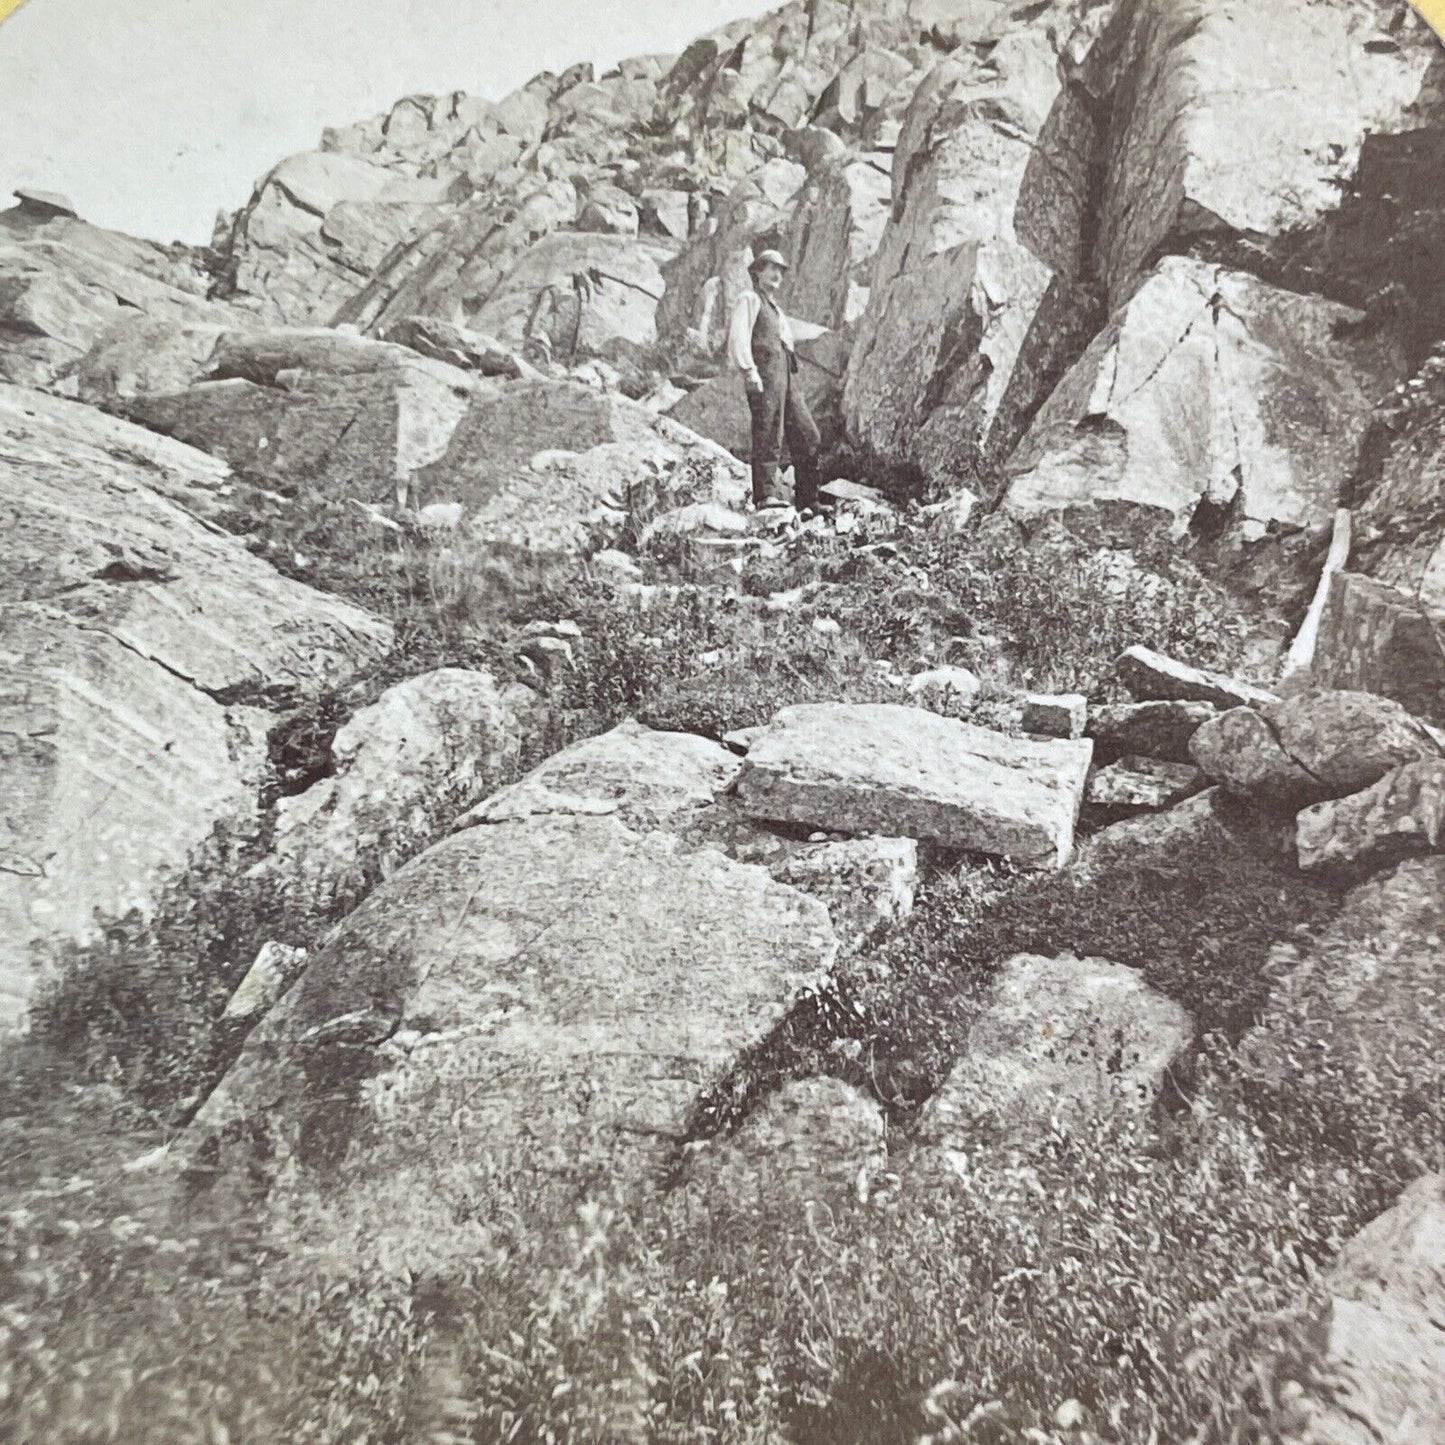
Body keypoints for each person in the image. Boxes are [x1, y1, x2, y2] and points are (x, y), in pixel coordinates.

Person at [727, 249, 823, 513]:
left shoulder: (777, 310)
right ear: (757, 272)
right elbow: (738, 336)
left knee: (809, 435)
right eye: (772, 268)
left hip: (787, 376)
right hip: (765, 373)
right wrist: (749, 370)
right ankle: (766, 495)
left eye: (781, 270)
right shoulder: (749, 299)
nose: (778, 274)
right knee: (768, 431)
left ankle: (809, 499)